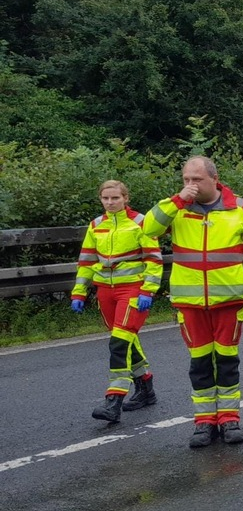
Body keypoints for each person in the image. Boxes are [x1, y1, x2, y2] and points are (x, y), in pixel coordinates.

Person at [142, 156, 243, 447]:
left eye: (196, 180)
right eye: (186, 179)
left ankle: (229, 419)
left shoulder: (240, 207)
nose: (191, 185)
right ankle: (203, 422)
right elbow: (148, 228)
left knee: (226, 361)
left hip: (229, 301)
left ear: (214, 178)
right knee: (199, 363)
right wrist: (177, 200)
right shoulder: (177, 208)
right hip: (190, 302)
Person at [71, 180, 163, 423]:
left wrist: (148, 290)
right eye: (105, 199)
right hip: (105, 292)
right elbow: (87, 262)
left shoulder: (141, 222)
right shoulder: (96, 225)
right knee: (125, 341)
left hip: (132, 290)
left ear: (125, 198)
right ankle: (146, 388)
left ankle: (113, 401)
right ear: (101, 199)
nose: (110, 203)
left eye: (115, 198)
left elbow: (154, 259)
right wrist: (79, 292)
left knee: (118, 344)